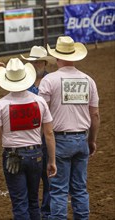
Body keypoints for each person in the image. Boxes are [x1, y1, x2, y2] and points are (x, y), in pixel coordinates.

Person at [39, 36, 100, 220]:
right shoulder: (88, 80)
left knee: (58, 190)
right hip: (81, 138)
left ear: (57, 57)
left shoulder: (49, 80)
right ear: (74, 56)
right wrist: (92, 140)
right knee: (80, 189)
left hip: (58, 140)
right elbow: (95, 114)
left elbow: (42, 113)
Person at [0, 58, 57, 220]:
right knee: (33, 201)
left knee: (20, 203)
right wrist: (52, 160)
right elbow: (48, 133)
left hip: (13, 157)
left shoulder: (1, 105)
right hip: (36, 155)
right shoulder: (39, 101)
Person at [21, 45, 56, 219]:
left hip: (47, 133)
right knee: (33, 178)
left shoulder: (51, 80)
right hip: (30, 136)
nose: (35, 65)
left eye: (37, 62)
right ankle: (35, 211)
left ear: (44, 62)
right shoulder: (24, 83)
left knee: (48, 177)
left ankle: (47, 211)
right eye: (33, 62)